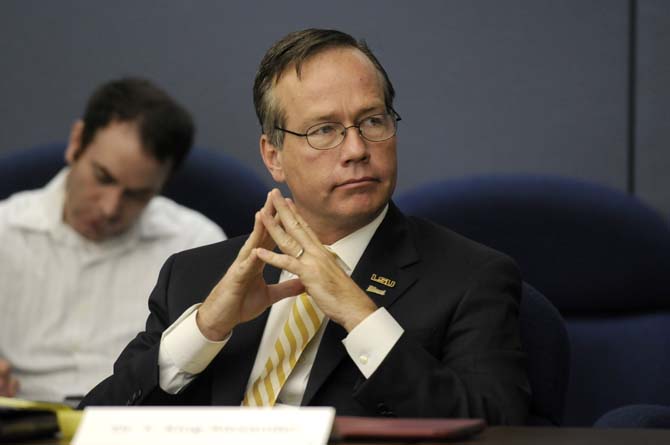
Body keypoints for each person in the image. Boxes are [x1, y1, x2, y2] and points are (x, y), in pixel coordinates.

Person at [80, 30, 530, 424]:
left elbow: (496, 428)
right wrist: (205, 330)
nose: (356, 148)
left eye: (373, 121)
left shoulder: (470, 277)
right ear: (273, 155)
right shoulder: (195, 275)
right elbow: (93, 425)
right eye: (324, 130)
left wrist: (360, 314)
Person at [0, 77, 225, 402]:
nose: (110, 208)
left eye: (137, 195)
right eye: (103, 178)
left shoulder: (195, 244)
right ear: (76, 142)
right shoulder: (5, 231)